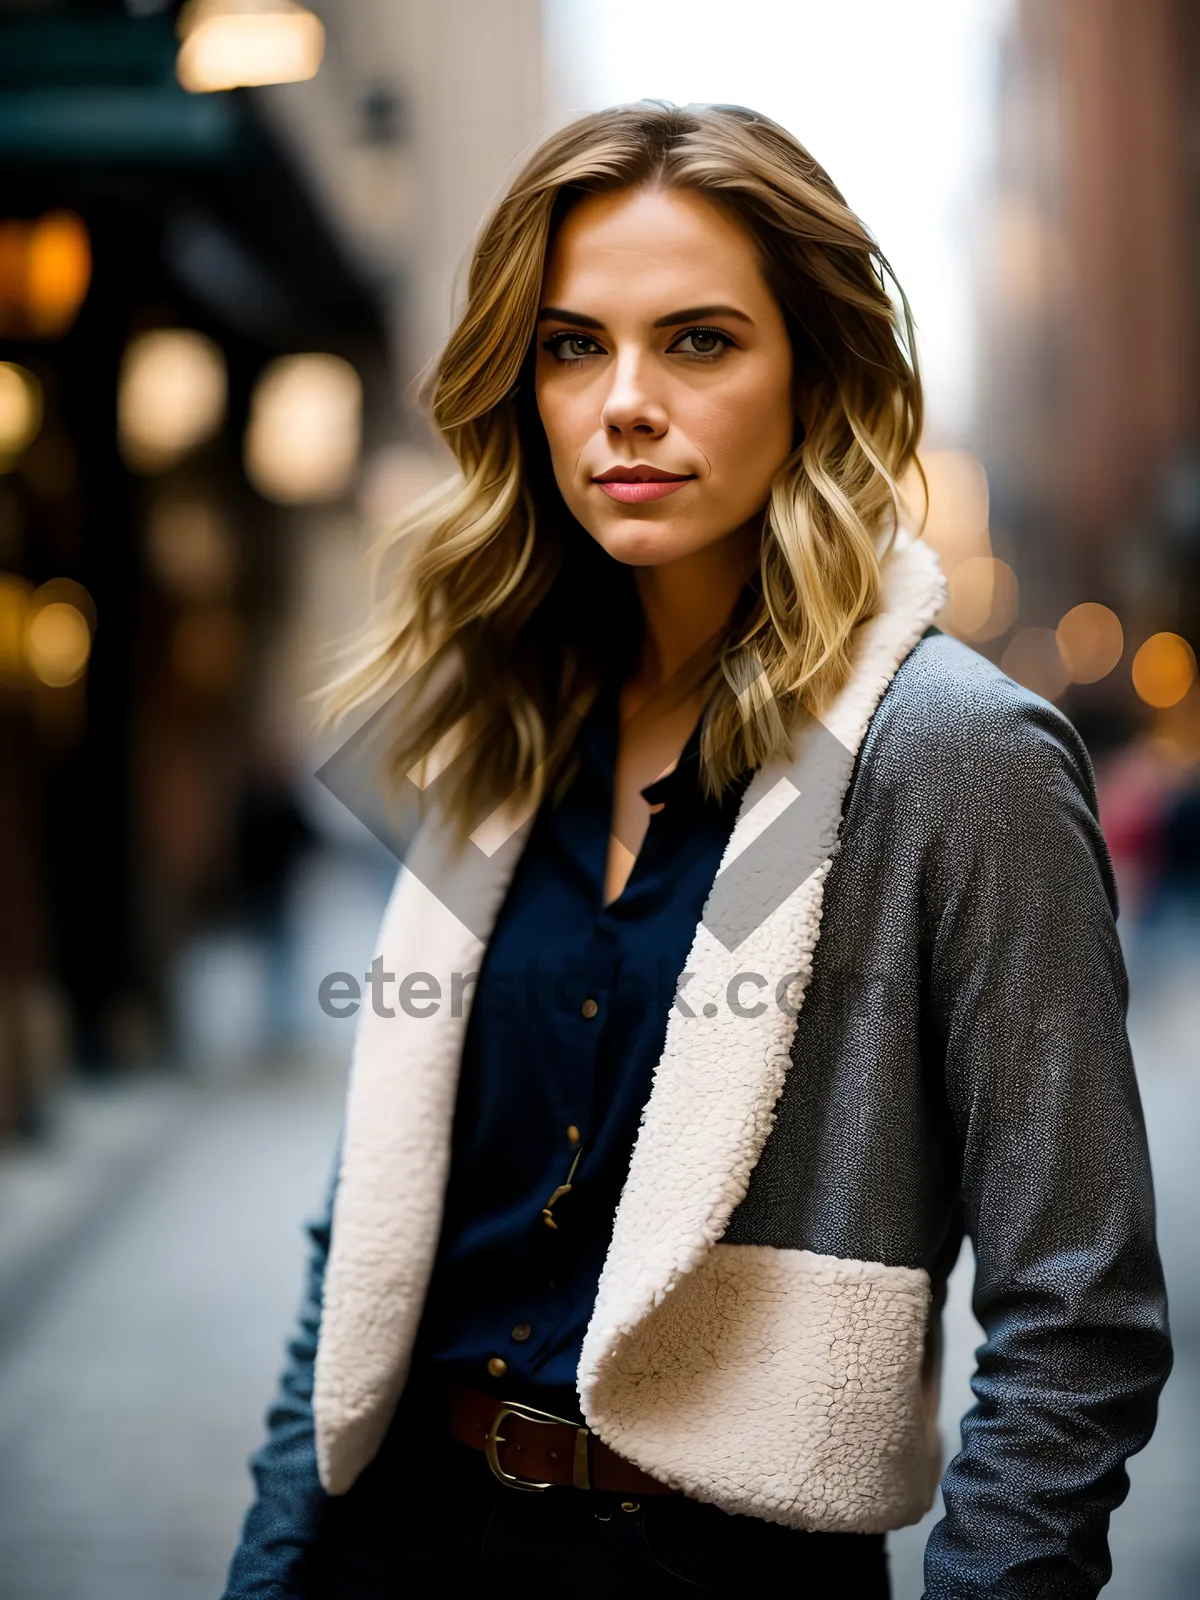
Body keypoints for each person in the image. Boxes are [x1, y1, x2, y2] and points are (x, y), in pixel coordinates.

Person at [221, 101, 1173, 1599]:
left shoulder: (946, 755)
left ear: (814, 374)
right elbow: (367, 1245)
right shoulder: (489, 740)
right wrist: (271, 1570)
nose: (626, 403)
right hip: (393, 1546)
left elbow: (1081, 1315)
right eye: (572, 345)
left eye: (702, 341)